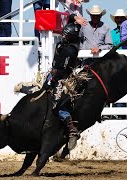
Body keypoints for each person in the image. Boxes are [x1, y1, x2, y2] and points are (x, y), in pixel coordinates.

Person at [43, 14, 87, 150]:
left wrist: (54, 76)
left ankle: (71, 128)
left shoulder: (70, 50)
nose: (63, 35)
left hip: (63, 78)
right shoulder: (65, 43)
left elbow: (63, 69)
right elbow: (70, 24)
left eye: (65, 34)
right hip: (54, 74)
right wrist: (75, 17)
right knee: (42, 93)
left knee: (57, 104)